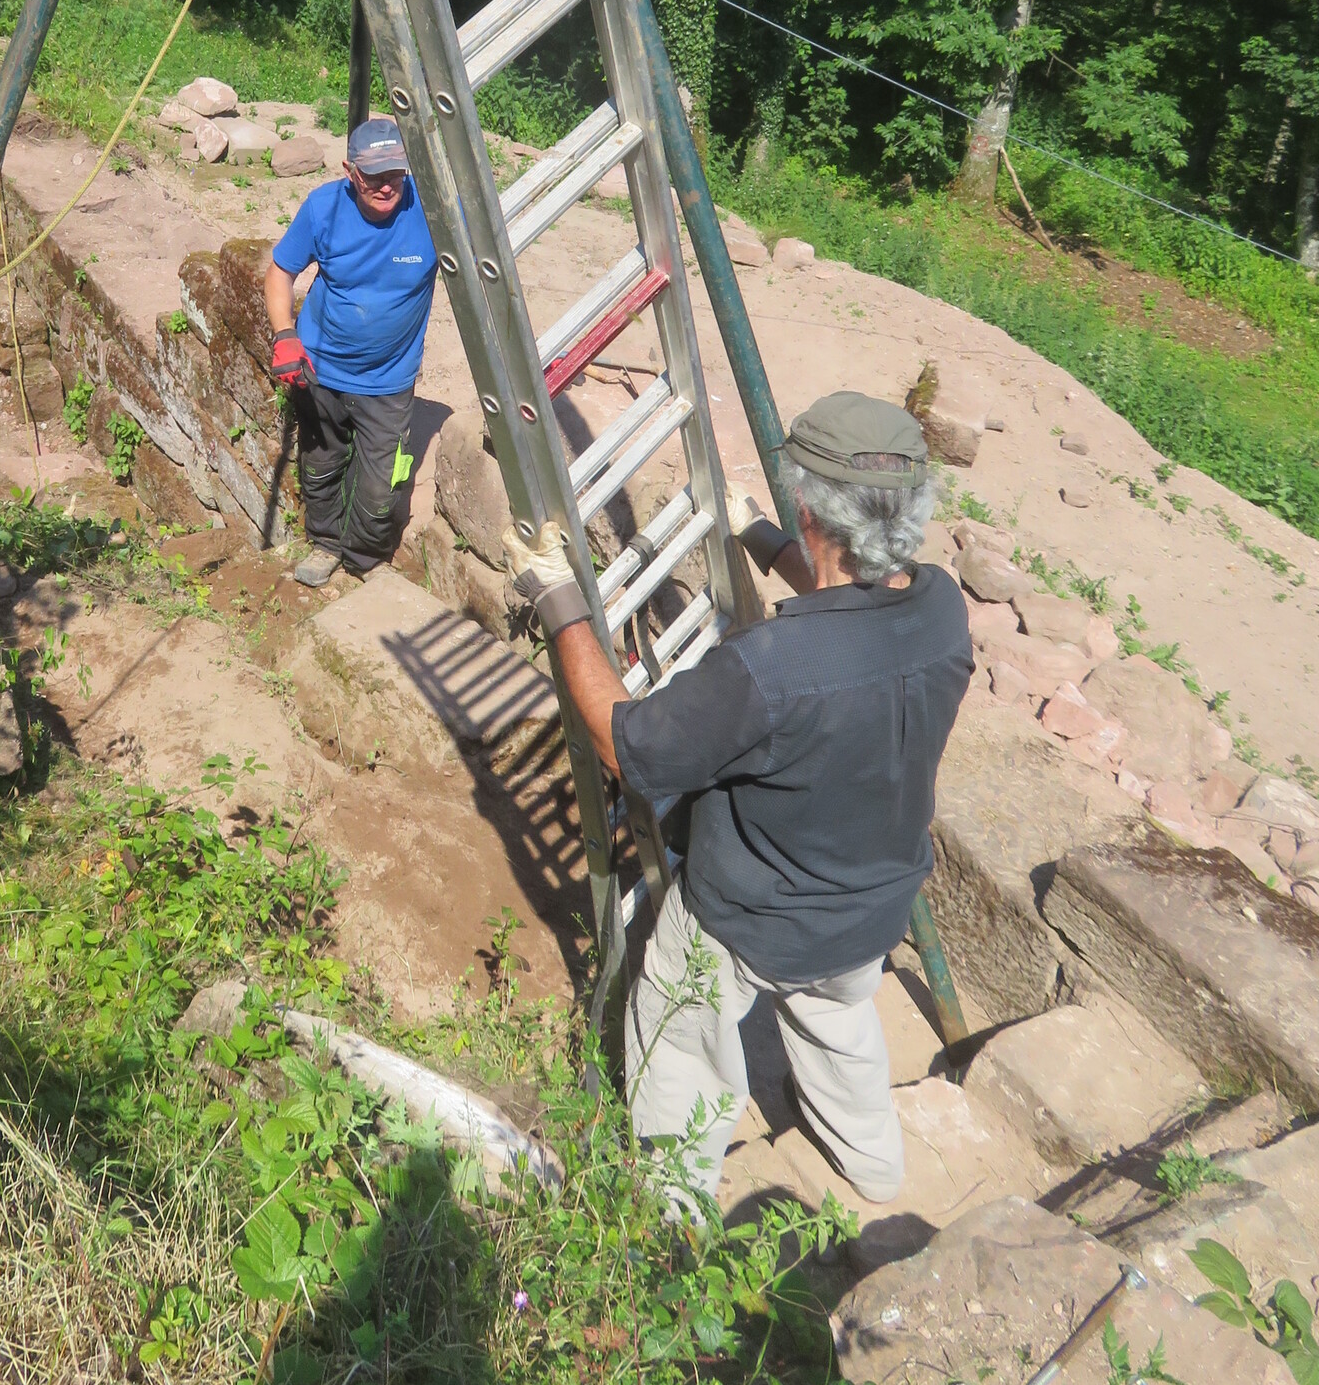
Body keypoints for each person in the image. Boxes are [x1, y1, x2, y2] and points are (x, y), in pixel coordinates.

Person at [503, 392, 972, 1210]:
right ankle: (874, 1168)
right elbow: (854, 599)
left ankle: (672, 1215)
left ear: (808, 508)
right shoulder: (941, 609)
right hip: (872, 910)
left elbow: (625, 743)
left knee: (680, 1040)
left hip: (751, 920)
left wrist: (558, 600)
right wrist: (759, 537)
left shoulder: (771, 669)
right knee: (839, 1024)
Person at [265, 115, 437, 590]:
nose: (386, 186)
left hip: (389, 378)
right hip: (320, 367)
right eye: (373, 175)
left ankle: (364, 558)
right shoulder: (324, 208)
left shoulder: (432, 211)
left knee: (382, 486)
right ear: (350, 171)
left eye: (395, 174)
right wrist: (284, 335)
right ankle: (325, 543)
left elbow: (487, 261)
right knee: (321, 464)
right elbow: (280, 271)